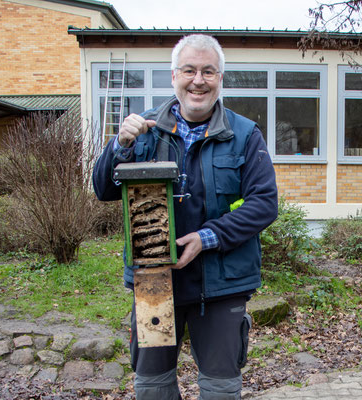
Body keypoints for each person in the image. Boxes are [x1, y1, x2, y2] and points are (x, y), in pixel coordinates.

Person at [92, 34, 278, 399]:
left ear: (220, 79)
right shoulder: (143, 130)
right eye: (190, 70)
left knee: (221, 390)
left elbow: (264, 203)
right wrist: (119, 145)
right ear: (174, 75)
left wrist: (206, 238)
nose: (199, 80)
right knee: (153, 388)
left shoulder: (244, 135)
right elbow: (103, 190)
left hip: (222, 284)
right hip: (154, 283)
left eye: (209, 71)